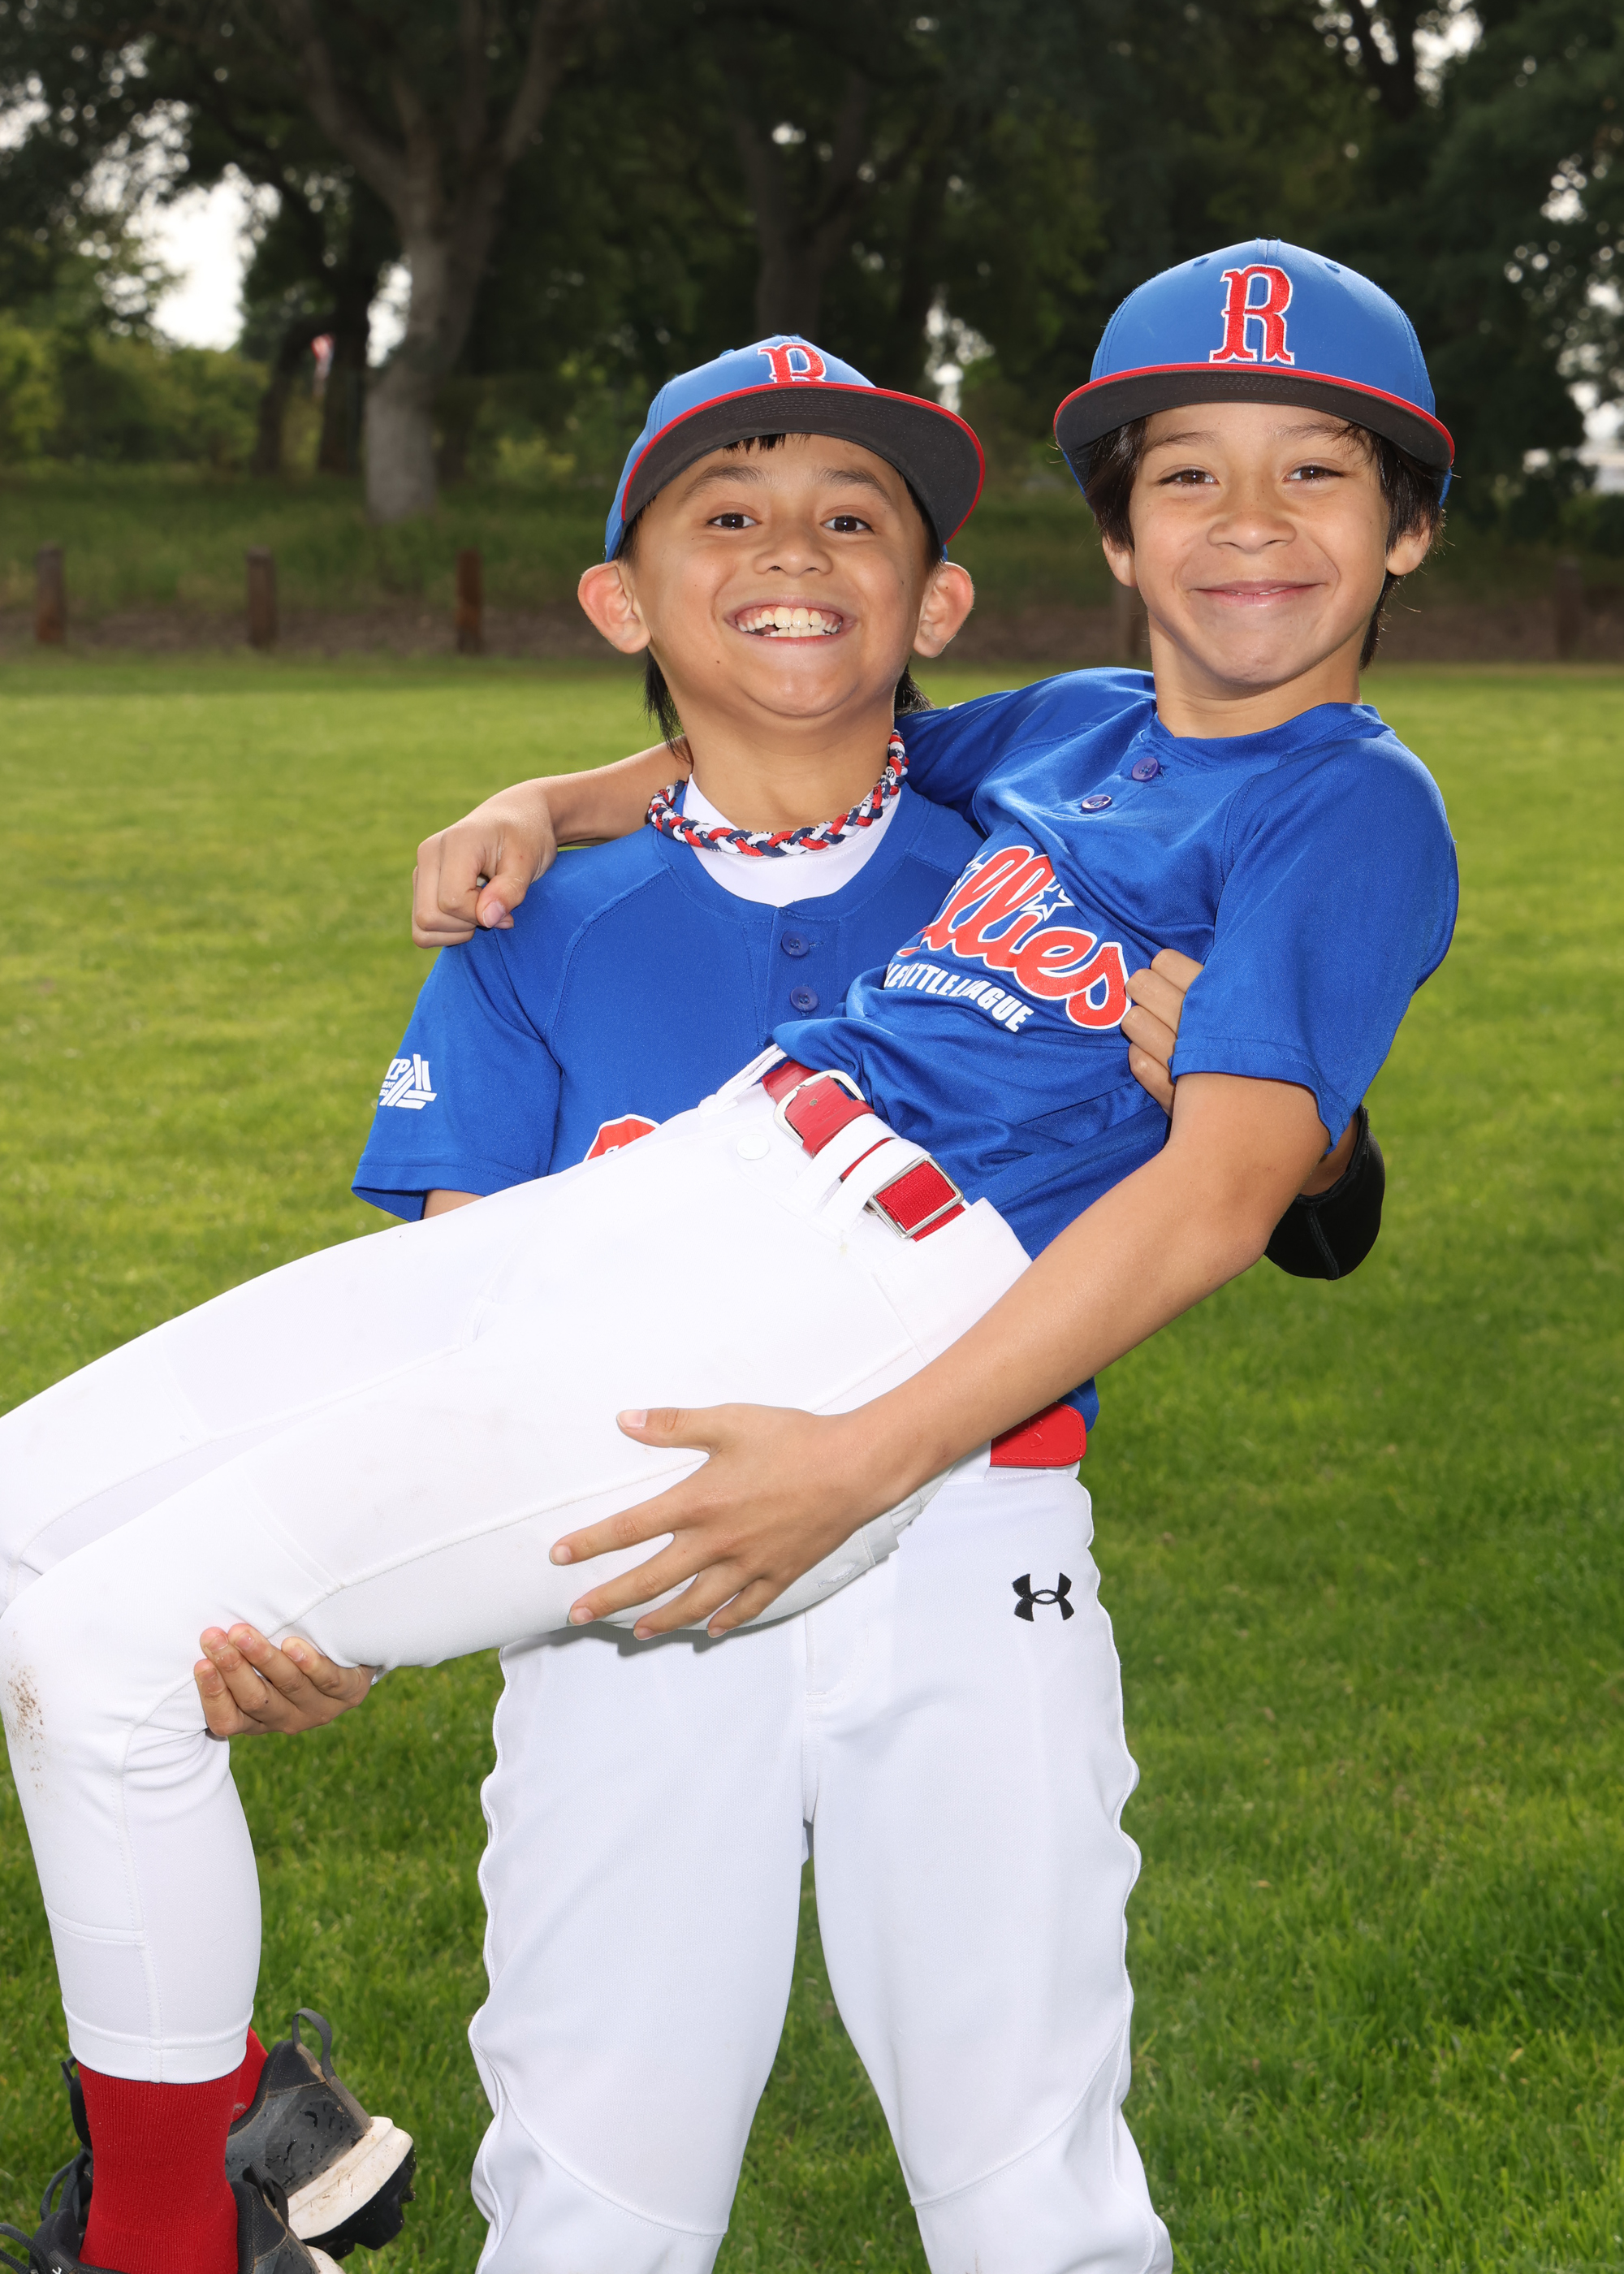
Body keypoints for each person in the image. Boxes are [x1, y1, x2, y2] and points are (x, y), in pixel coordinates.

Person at [0, 240, 1455, 2274]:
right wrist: (544, 793)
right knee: (30, 1534)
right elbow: (820, 733)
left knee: (99, 1655)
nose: (1249, 520)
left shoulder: (1353, 802)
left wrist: (862, 1458)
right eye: (1188, 474)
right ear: (1117, 538)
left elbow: (1229, 1199)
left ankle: (165, 2232)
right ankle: (232, 2120)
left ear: (1407, 530)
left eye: (1318, 473)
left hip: (866, 1338)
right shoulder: (1076, 730)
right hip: (699, 1198)